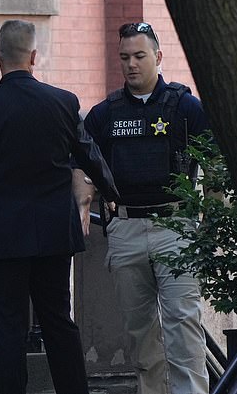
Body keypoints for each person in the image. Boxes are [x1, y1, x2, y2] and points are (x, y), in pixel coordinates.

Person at [0, 20, 119, 394]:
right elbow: (89, 154)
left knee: (7, 331)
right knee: (59, 322)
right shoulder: (62, 102)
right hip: (52, 235)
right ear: (34, 57)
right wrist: (111, 191)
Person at [83, 21, 209, 394]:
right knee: (140, 336)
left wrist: (211, 219)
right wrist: (81, 197)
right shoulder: (105, 113)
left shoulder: (185, 107)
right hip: (126, 230)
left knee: (184, 328)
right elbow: (81, 162)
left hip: (176, 228)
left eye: (139, 56)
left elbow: (217, 159)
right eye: (124, 57)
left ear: (158, 56)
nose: (131, 64)